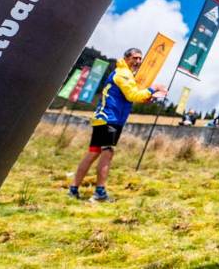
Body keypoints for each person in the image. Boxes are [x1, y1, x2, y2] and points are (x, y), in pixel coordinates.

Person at [68, 47, 164, 202]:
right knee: (107, 153)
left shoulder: (127, 75)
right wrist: (154, 88)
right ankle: (99, 192)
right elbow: (132, 94)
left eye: (140, 59)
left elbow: (130, 97)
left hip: (107, 118)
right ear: (126, 58)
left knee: (93, 153)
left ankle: (73, 189)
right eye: (134, 58)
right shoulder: (123, 74)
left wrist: (147, 96)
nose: (138, 62)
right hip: (109, 119)